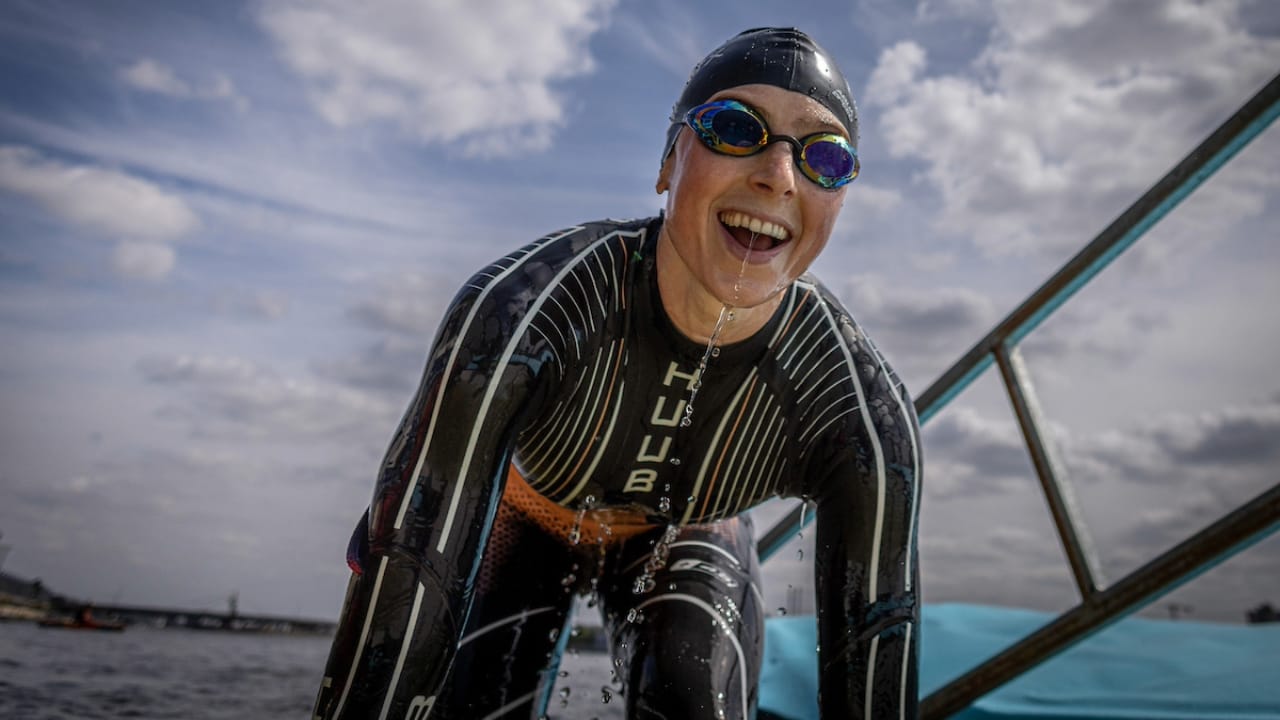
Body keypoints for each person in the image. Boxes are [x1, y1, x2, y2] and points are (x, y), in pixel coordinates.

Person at [312, 27, 921, 720]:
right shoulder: (526, 314)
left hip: (688, 531)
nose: (779, 176)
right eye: (733, 128)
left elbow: (875, 665)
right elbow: (407, 586)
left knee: (693, 703)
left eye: (826, 157)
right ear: (667, 164)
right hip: (524, 517)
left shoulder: (855, 411)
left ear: (841, 194)